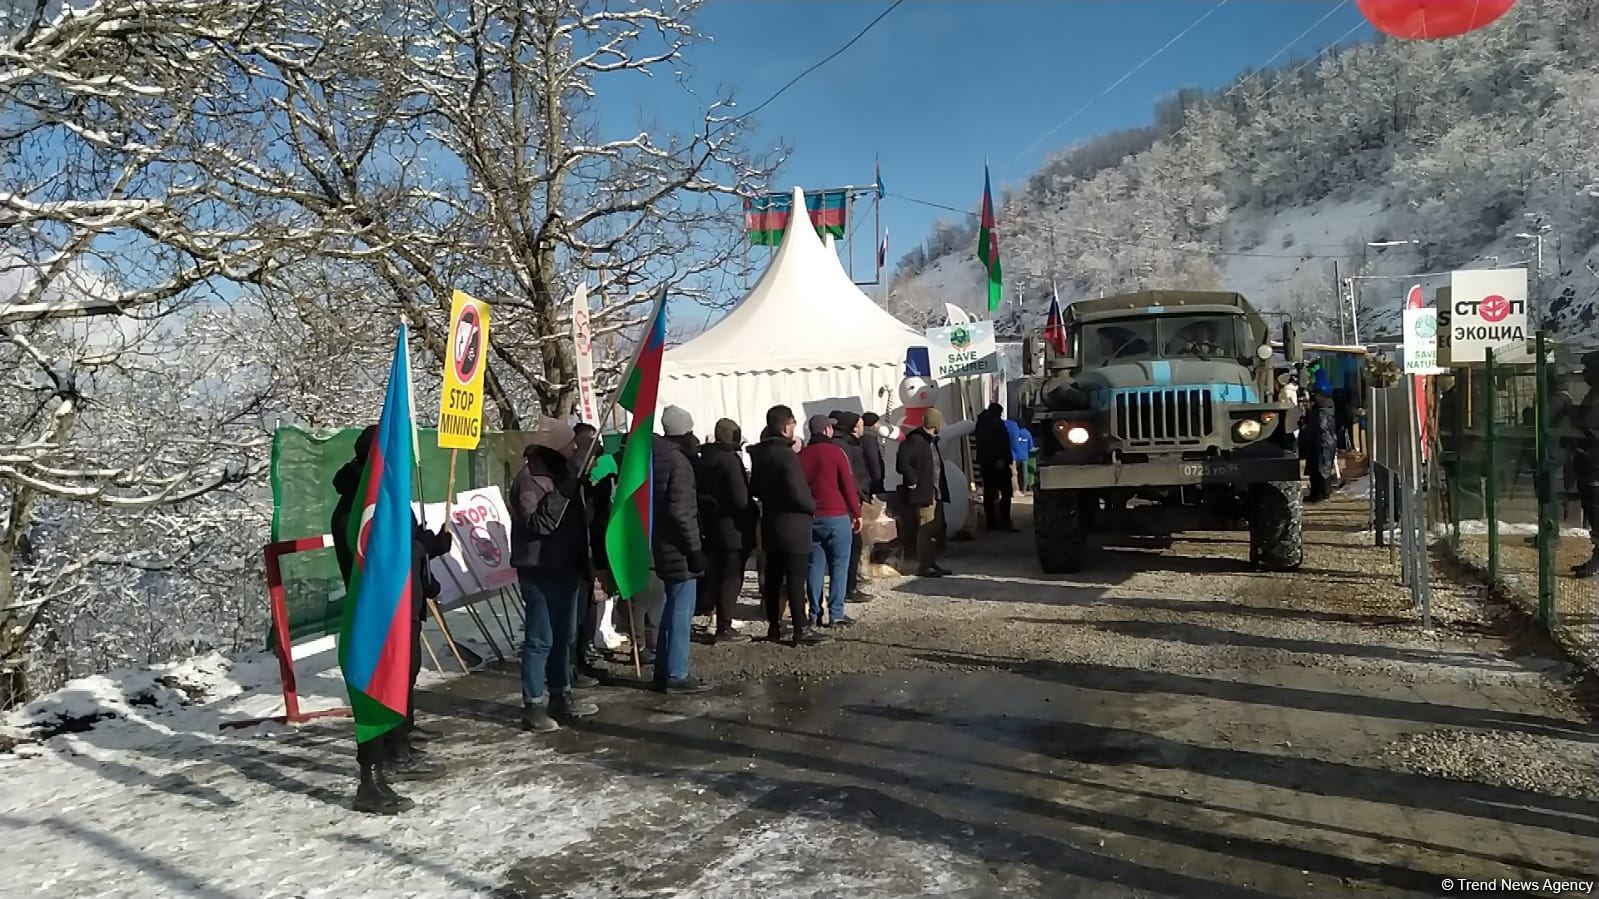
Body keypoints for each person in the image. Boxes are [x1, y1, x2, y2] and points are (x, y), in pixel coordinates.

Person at [331, 426, 451, 815]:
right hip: (373, 616)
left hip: (399, 607)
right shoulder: (355, 509)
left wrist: (429, 548)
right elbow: (376, 556)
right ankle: (371, 780)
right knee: (375, 694)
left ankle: (397, 747)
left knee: (403, 678)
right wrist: (418, 548)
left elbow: (407, 541)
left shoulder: (385, 501)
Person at [509, 419, 600, 733]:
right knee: (540, 640)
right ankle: (532, 704)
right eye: (570, 446)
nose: (575, 451)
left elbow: (576, 525)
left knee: (565, 637)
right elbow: (540, 524)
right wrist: (565, 487)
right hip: (540, 571)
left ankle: (561, 696)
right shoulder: (529, 480)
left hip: (567, 567)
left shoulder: (564, 476)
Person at [749, 405, 826, 645]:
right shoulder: (786, 455)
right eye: (792, 423)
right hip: (794, 525)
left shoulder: (760, 454)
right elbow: (798, 491)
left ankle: (775, 625)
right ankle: (800, 628)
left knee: (772, 578)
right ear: (785, 427)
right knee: (795, 578)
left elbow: (756, 489)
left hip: (772, 522)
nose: (794, 427)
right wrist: (812, 506)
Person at [650, 417, 713, 693]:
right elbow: (681, 511)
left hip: (660, 541)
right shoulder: (680, 462)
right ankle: (676, 673)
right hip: (679, 547)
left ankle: (663, 669)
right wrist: (695, 549)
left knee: (670, 607)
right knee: (681, 609)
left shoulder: (654, 457)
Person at [694, 418, 756, 643]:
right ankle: (724, 626)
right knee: (731, 577)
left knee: (716, 575)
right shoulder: (730, 461)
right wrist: (751, 513)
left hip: (710, 526)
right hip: (733, 529)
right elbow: (740, 498)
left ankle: (714, 619)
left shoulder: (704, 460)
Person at [800, 414, 862, 628]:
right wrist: (857, 513)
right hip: (836, 516)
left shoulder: (802, 455)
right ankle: (836, 613)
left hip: (812, 517)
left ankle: (815, 612)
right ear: (826, 430)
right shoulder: (837, 453)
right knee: (839, 565)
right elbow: (848, 486)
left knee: (814, 566)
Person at [572, 423, 612, 684]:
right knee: (576, 612)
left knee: (588, 606)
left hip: (591, 551)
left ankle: (581, 657)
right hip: (575, 554)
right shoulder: (572, 483)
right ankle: (571, 665)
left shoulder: (595, 481)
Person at [898, 407, 952, 577]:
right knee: (925, 529)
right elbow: (902, 463)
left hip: (935, 492)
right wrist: (913, 481)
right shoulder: (915, 440)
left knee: (935, 528)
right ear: (935, 423)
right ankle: (924, 565)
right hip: (924, 492)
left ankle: (931, 562)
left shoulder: (931, 440)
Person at [829, 410, 874, 601]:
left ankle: (848, 585)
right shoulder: (845, 446)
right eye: (860, 423)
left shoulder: (843, 444)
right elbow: (849, 476)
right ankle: (849, 588)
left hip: (848, 499)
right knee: (852, 546)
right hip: (848, 501)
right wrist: (855, 501)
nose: (863, 427)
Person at [1571, 353, 1599, 577]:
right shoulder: (1593, 395)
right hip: (1588, 461)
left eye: (1590, 370)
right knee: (1593, 511)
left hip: (1595, 461)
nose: (1585, 375)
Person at [975, 403, 1015, 531]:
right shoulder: (996, 424)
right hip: (999, 463)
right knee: (1006, 493)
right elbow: (1001, 442)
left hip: (986, 463)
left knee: (989, 493)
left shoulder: (981, 424)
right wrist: (1002, 458)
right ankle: (1005, 522)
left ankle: (991, 523)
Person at [1005, 415, 1035, 494]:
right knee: (1024, 474)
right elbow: (1031, 447)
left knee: (1014, 474)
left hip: (1015, 456)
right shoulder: (1028, 433)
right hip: (1025, 456)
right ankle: (1024, 490)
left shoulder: (1015, 431)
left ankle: (1014, 489)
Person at [860, 411, 887, 496]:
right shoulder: (869, 439)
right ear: (873, 425)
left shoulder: (865, 436)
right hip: (873, 482)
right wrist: (878, 479)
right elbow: (873, 460)